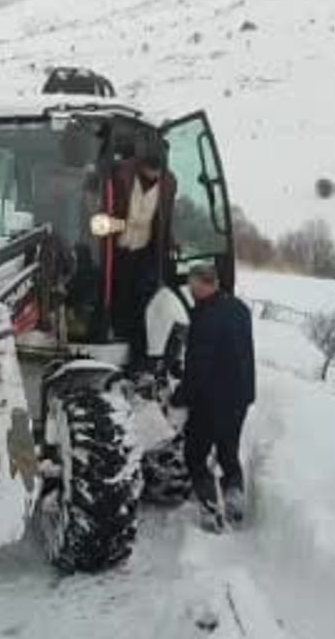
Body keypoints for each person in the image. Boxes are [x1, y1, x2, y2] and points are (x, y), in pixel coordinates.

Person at [178, 262, 256, 530]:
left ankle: (212, 512)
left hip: (211, 399)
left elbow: (199, 364)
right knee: (228, 453)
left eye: (192, 285)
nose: (190, 290)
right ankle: (235, 502)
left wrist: (182, 396)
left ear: (204, 284)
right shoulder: (239, 309)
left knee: (194, 454)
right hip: (240, 396)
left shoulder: (204, 316)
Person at [110, 136, 176, 366]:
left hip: (145, 251)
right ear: (141, 163)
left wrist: (169, 243)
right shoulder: (121, 173)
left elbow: (166, 218)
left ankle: (138, 358)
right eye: (150, 169)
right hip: (115, 249)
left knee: (142, 304)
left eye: (158, 171)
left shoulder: (169, 183)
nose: (154, 175)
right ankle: (115, 338)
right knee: (116, 297)